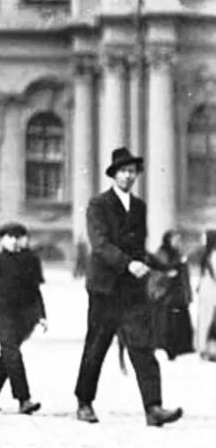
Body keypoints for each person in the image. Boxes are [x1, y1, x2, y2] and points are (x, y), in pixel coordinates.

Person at [73, 147, 182, 426]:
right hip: (104, 288)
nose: (128, 176)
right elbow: (100, 245)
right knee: (97, 345)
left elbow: (139, 248)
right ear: (114, 175)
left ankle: (153, 408)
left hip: (132, 290)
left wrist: (159, 265)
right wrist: (128, 264)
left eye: (132, 172)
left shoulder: (139, 207)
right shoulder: (98, 205)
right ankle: (84, 402)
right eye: (123, 171)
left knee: (142, 345)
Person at [0, 221, 45, 414]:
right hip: (1, 315)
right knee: (12, 353)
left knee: (8, 356)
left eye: (19, 237)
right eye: (10, 237)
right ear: (2, 240)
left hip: (24, 318)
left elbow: (35, 290)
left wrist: (41, 316)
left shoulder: (31, 260)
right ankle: (24, 399)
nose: (14, 241)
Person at [150, 231, 195, 360]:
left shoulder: (179, 255)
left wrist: (187, 295)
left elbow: (184, 277)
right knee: (168, 325)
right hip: (167, 297)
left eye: (179, 239)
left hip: (178, 297)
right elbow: (156, 273)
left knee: (178, 324)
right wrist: (168, 274)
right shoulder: (162, 254)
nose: (178, 242)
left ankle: (179, 348)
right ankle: (169, 349)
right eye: (175, 239)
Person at [197, 230, 216, 361]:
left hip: (206, 290)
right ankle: (210, 350)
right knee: (210, 321)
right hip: (211, 291)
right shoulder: (213, 254)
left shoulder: (207, 254)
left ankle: (204, 348)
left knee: (204, 320)